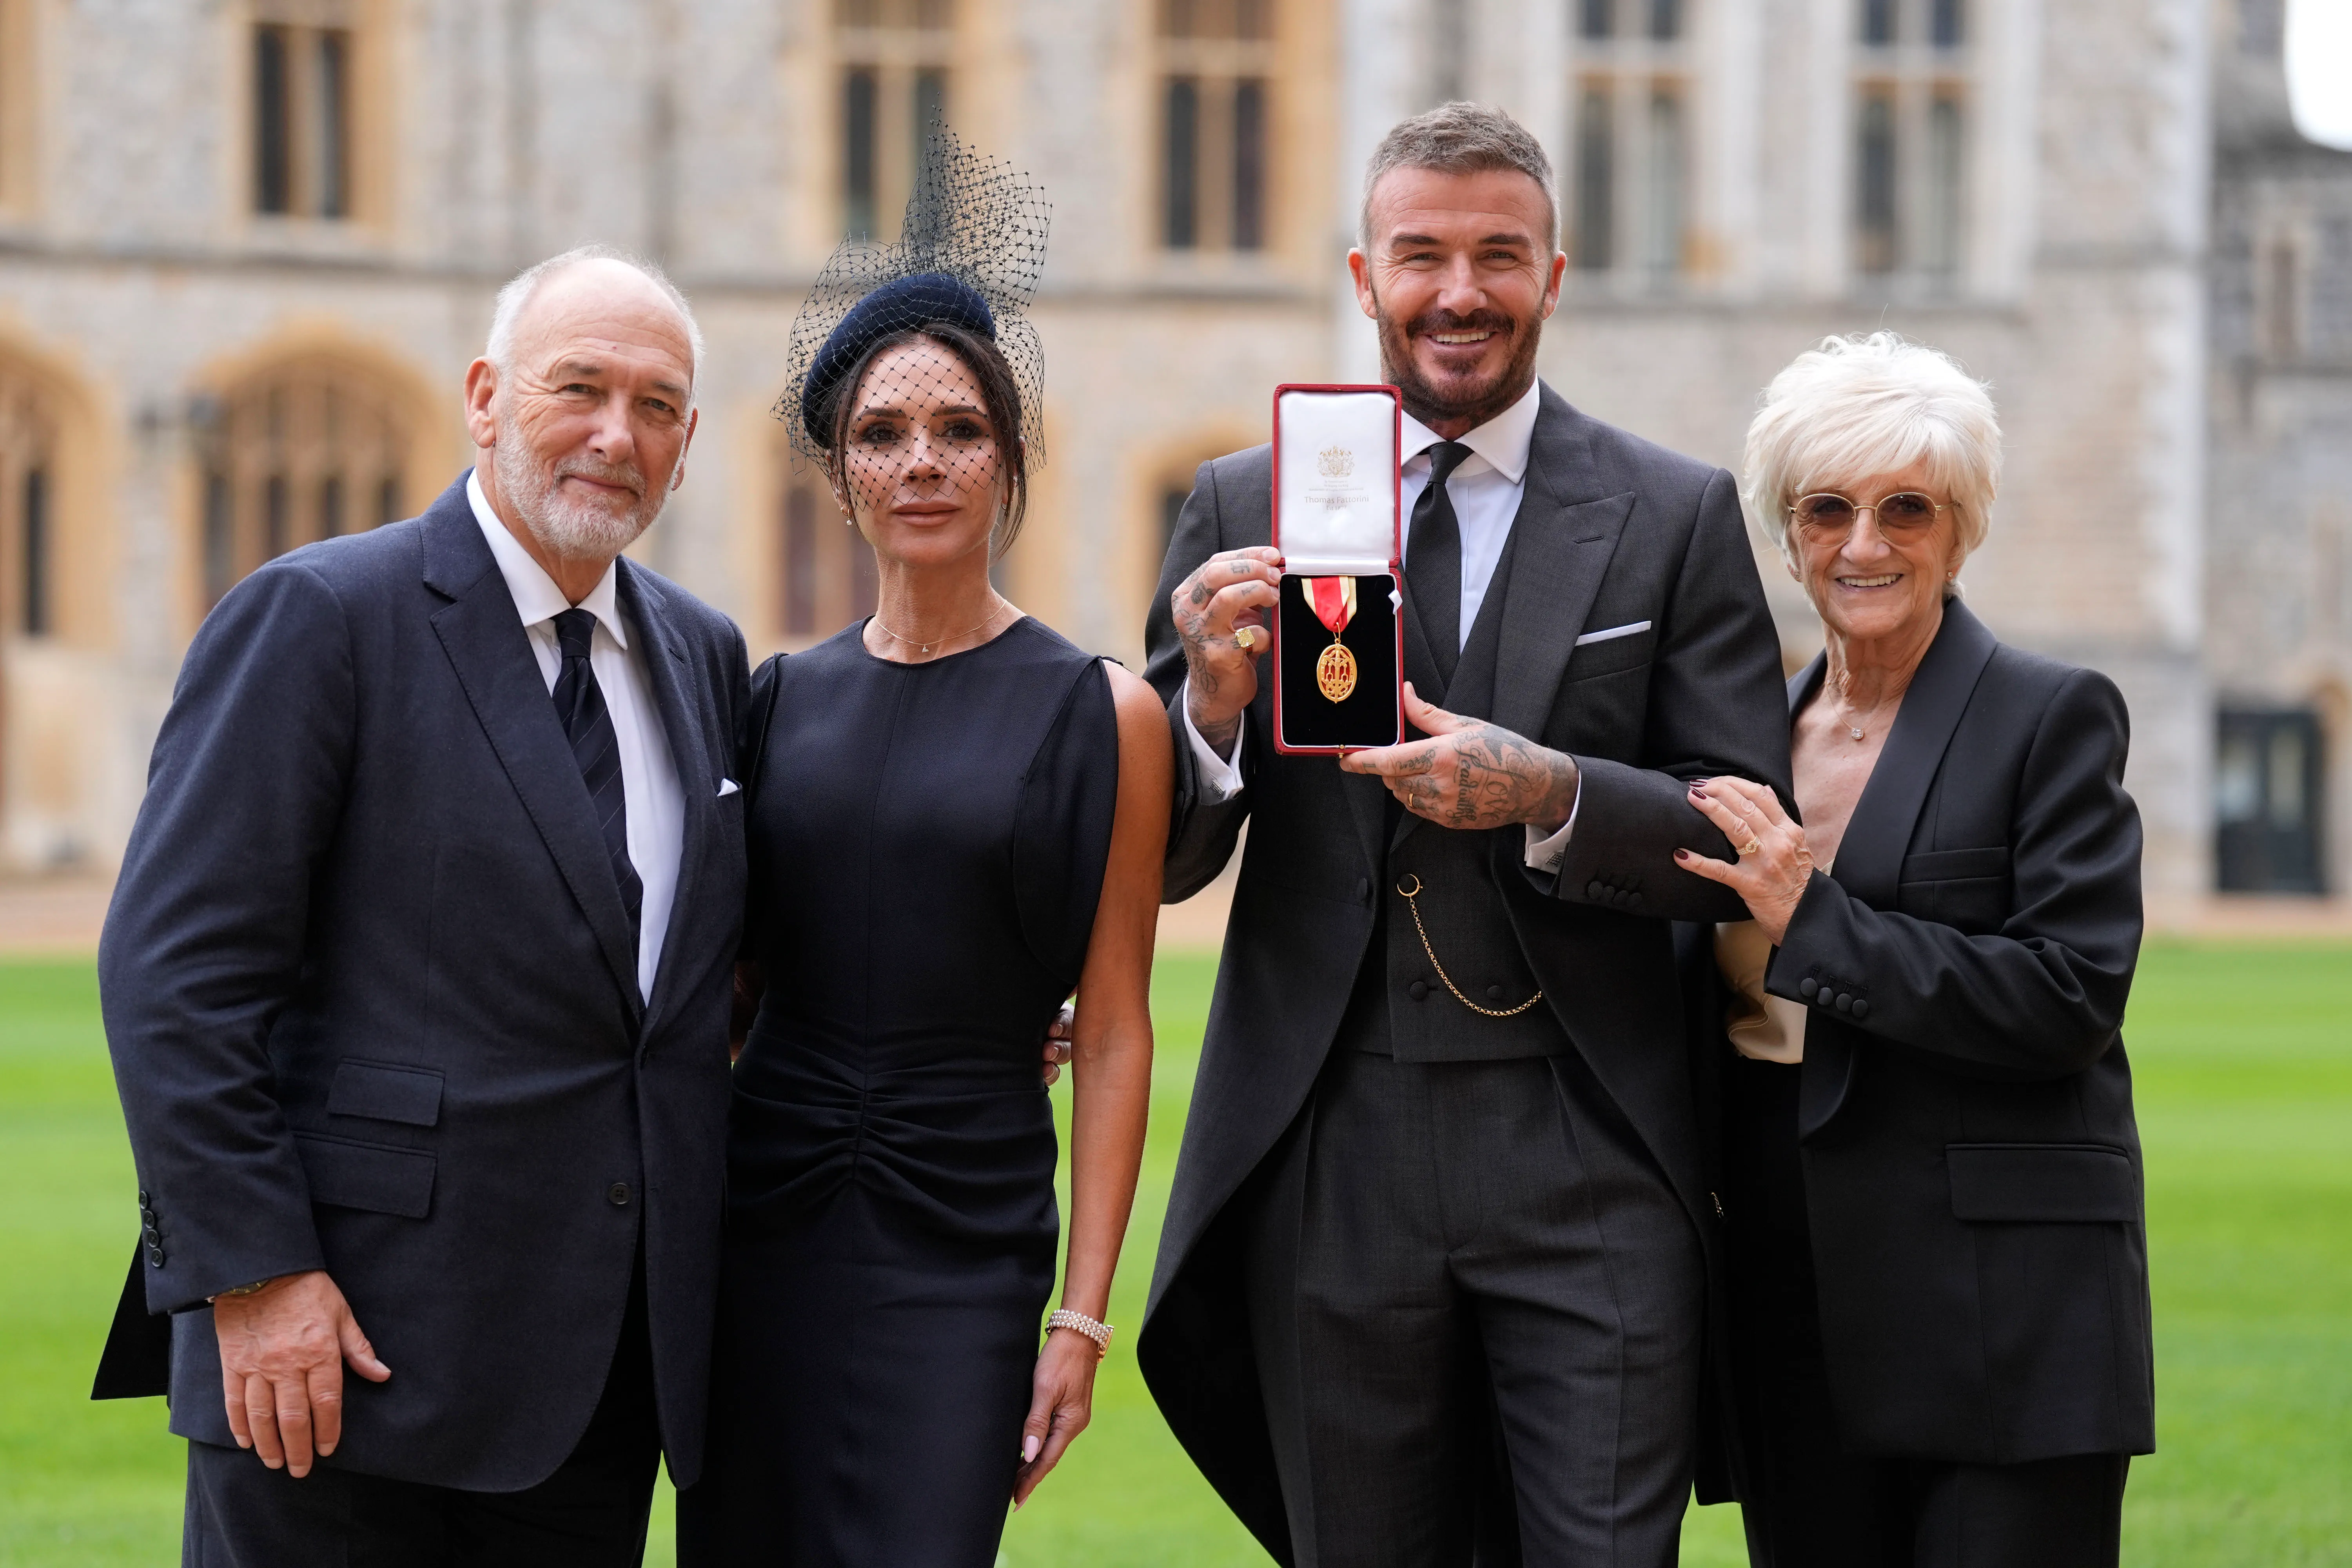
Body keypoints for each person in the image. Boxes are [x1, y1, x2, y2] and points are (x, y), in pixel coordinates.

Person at [1136, 102, 1792, 1566]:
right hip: (1334, 1146)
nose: (1460, 293)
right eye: (1421, 255)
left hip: (1591, 1148)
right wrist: (1214, 714)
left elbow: (1746, 823)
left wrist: (1555, 792)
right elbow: (1171, 858)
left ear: (1555, 277)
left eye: (1501, 255)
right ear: (1363, 277)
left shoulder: (1672, 515)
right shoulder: (1247, 505)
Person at [93, 248, 753, 1563]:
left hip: (600, 1387)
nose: (617, 435)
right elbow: (173, 976)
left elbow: (696, 983)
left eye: (660, 406)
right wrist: (256, 1274)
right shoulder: (320, 615)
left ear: (687, 445)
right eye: (581, 388)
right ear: (485, 397)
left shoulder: (702, 653)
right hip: (338, 1369)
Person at [678, 133, 1168, 1568]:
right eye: (885, 433)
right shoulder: (776, 699)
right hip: (763, 1226)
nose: (923, 460)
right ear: (840, 471)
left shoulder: (1104, 714)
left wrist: (1080, 1316)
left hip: (969, 1235)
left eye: (960, 428)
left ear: (1010, 460)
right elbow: (732, 983)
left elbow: (1123, 1029)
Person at [1676, 332, 2151, 1568]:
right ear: (1788, 535)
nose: (1866, 544)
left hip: (2001, 1301)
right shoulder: (1741, 737)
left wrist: (1814, 917)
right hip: (1788, 1286)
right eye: (1827, 509)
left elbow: (2070, 997)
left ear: (1963, 527)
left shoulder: (2051, 716)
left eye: (1906, 508)